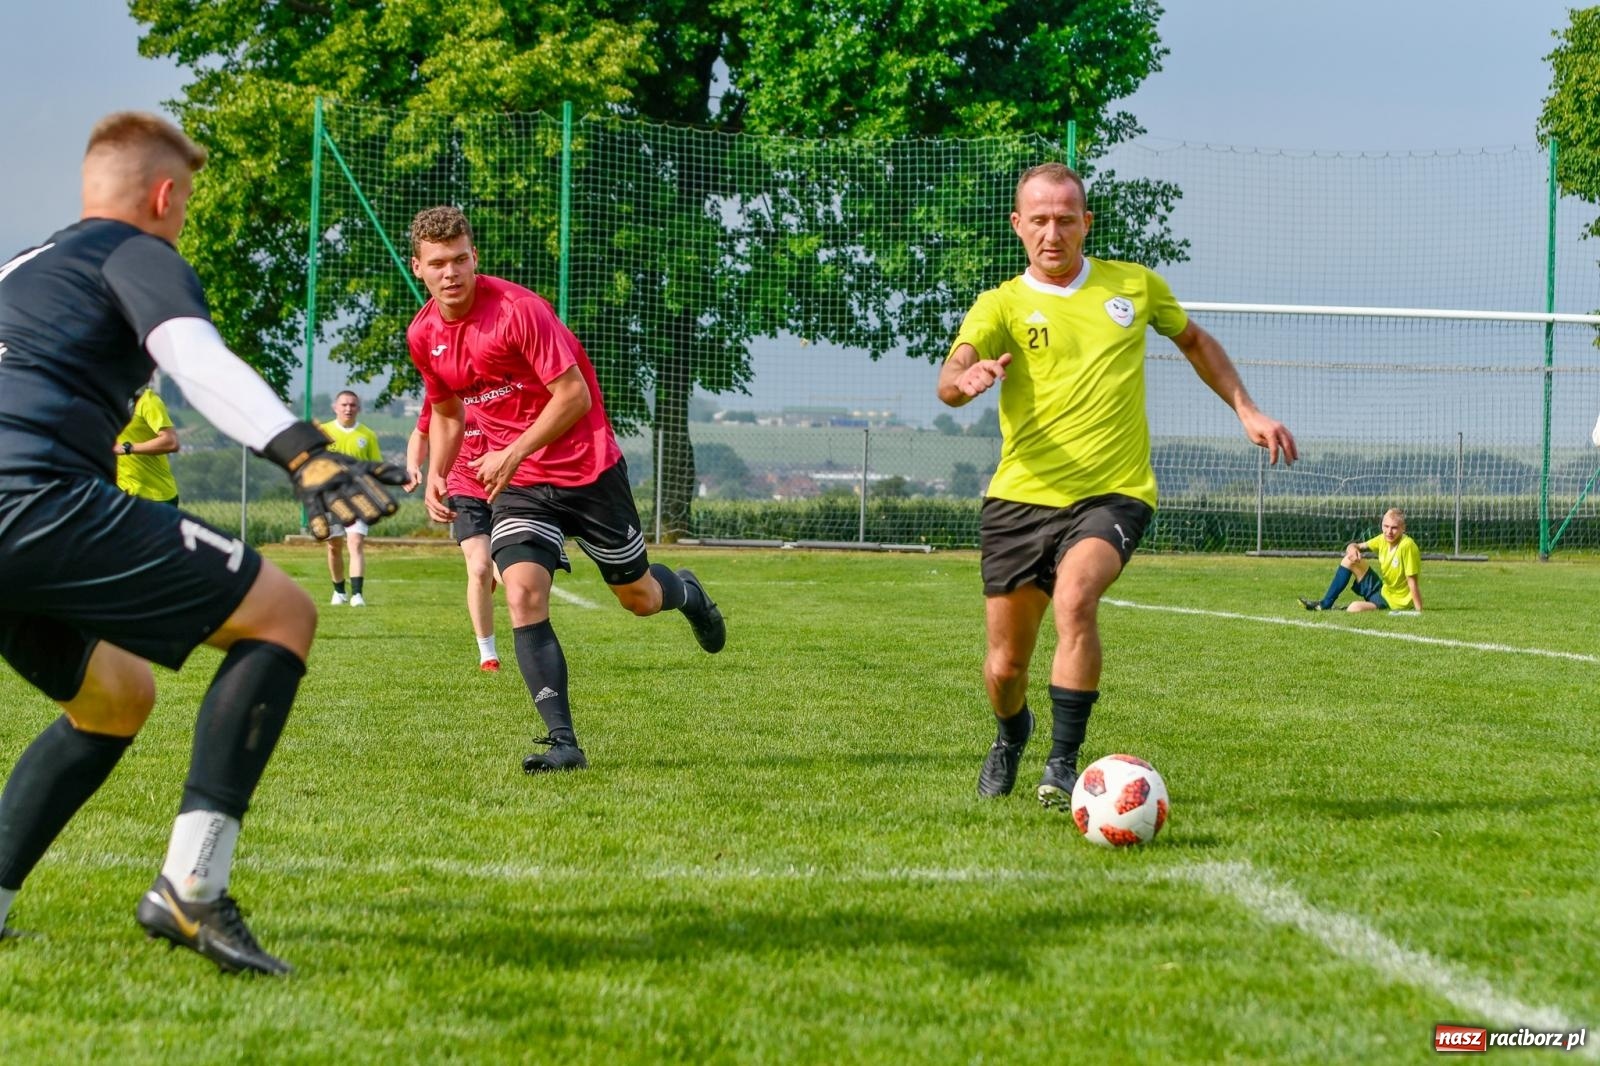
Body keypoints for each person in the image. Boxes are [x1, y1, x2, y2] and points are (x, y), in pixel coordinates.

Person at [0, 111, 403, 972]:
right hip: (32, 502)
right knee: (283, 614)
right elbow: (194, 357)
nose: (179, 224)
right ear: (163, 194)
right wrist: (302, 453)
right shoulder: (135, 250)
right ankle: (193, 889)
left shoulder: (18, 270)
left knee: (113, 699)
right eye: (184, 209)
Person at [937, 162, 1298, 809]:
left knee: (1076, 599)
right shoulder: (1001, 304)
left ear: (1086, 223)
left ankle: (1063, 765)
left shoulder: (1133, 287)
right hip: (1019, 499)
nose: (1053, 233)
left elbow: (1195, 341)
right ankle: (1011, 733)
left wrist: (1246, 408)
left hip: (1115, 492)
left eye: (1066, 219)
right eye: (1039, 220)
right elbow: (955, 368)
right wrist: (962, 382)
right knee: (1004, 669)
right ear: (1018, 225)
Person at [405, 205, 725, 774]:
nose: (451, 272)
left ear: (474, 257)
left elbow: (573, 396)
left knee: (640, 599)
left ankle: (690, 595)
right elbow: (448, 410)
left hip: (587, 469)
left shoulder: (519, 311)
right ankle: (563, 743)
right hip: (522, 483)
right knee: (523, 592)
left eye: (460, 259)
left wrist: (512, 449)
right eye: (438, 264)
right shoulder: (424, 334)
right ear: (419, 269)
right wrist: (437, 466)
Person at [406, 402, 502, 671]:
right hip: (463, 487)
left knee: (508, 574)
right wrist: (414, 465)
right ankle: (488, 655)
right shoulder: (444, 386)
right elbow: (421, 433)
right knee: (480, 568)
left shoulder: (501, 379)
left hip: (507, 484)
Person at [320, 390, 384, 606]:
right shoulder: (323, 432)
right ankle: (339, 591)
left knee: (355, 542)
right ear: (335, 407)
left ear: (359, 408)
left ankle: (357, 594)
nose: (348, 409)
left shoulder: (367, 435)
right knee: (333, 546)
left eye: (353, 405)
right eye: (344, 405)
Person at [1299, 508, 1422, 613]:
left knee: (1354, 608)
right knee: (1349, 559)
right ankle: (1325, 604)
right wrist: (1351, 548)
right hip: (1383, 591)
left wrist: (1419, 611)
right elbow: (1357, 546)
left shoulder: (1407, 546)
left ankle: (1343, 608)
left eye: (1394, 528)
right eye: (1386, 526)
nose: (1389, 532)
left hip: (1394, 604)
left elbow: (1412, 582)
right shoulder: (1382, 539)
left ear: (1403, 528)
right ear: (1382, 525)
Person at [115, 385, 182, 505]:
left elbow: (171, 442)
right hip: (124, 491)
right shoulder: (106, 401)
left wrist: (128, 448)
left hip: (155, 497)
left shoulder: (148, 401)